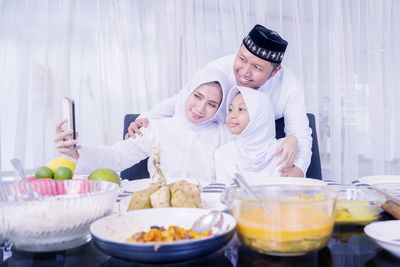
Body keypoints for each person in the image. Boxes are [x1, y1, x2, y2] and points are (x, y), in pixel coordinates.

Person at [125, 24, 311, 178]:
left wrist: (299, 168)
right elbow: (183, 99)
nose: (244, 72)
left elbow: (300, 134)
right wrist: (145, 118)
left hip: (262, 151)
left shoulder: (290, 88)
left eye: (256, 67)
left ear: (275, 72)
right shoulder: (219, 69)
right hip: (218, 145)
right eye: (242, 59)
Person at [54, 67, 231, 183]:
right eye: (197, 96)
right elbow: (116, 157)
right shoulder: (156, 128)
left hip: (207, 211)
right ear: (186, 93)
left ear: (219, 108)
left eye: (212, 104)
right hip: (161, 210)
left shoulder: (223, 133)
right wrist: (76, 153)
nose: (200, 108)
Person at [214, 86, 298, 184]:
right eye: (230, 109)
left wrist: (294, 139)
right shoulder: (223, 154)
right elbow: (224, 196)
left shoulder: (284, 149)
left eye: (241, 109)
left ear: (259, 116)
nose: (231, 115)